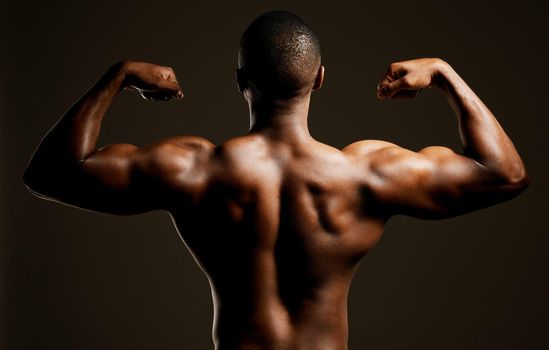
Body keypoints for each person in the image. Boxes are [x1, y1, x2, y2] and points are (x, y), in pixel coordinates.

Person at [23, 10, 529, 350]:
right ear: (321, 78)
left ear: (241, 82)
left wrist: (117, 75)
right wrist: (443, 73)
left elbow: (51, 173)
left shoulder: (195, 169)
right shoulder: (365, 173)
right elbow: (505, 173)